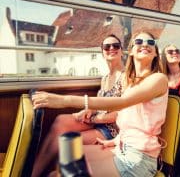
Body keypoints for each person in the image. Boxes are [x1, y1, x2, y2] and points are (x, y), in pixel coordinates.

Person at [32, 31, 169, 177]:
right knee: (66, 155)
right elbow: (131, 121)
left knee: (63, 173)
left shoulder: (159, 79)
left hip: (138, 159)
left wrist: (64, 100)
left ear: (155, 53)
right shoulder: (132, 83)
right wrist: (116, 140)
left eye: (151, 42)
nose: (145, 45)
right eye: (139, 42)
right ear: (131, 52)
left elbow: (121, 103)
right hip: (121, 148)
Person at [31, 34, 124, 177]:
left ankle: (37, 173)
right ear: (102, 52)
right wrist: (89, 110)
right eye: (107, 46)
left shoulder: (125, 77)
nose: (111, 48)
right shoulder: (105, 78)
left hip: (112, 131)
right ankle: (32, 172)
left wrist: (92, 119)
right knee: (61, 120)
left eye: (116, 46)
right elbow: (102, 103)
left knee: (67, 143)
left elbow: (121, 114)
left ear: (121, 51)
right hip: (99, 123)